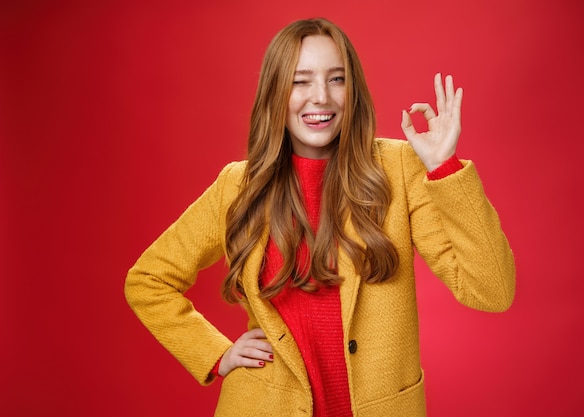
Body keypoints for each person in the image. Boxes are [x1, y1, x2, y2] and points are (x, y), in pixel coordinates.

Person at [124, 17, 515, 417]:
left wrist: (443, 168)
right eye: (300, 80)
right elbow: (148, 281)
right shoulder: (238, 186)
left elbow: (492, 291)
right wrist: (215, 353)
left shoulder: (399, 168)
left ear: (354, 90)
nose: (320, 97)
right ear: (275, 91)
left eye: (336, 79)